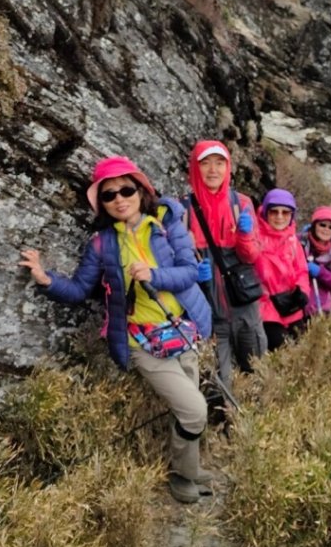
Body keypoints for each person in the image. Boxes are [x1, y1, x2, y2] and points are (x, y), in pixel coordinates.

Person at [19, 155, 213, 505]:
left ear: (141, 191)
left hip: (182, 331)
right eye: (109, 195)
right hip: (141, 341)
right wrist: (45, 278)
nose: (120, 199)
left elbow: (188, 271)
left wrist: (154, 276)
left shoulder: (168, 228)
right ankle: (182, 476)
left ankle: (192, 468)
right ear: (103, 204)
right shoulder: (101, 245)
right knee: (195, 409)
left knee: (186, 409)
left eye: (126, 189)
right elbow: (79, 290)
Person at [182, 140, 265, 390]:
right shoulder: (183, 208)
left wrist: (245, 236)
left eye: (220, 163)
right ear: (195, 168)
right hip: (208, 315)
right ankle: (225, 427)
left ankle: (255, 427)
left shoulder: (242, 203)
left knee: (257, 374)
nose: (213, 170)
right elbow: (175, 262)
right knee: (220, 384)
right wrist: (194, 274)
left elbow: (251, 256)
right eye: (205, 163)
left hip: (245, 310)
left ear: (228, 167)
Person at [254, 188, 311, 350]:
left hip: (291, 305)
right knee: (282, 349)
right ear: (265, 212)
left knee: (303, 350)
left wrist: (303, 291)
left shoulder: (293, 241)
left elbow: (302, 271)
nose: (279, 217)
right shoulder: (254, 238)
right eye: (274, 212)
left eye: (285, 213)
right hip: (265, 308)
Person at [299, 206, 331, 316]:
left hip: (320, 310)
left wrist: (320, 272)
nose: (326, 229)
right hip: (296, 307)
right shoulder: (299, 243)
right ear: (314, 224)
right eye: (322, 225)